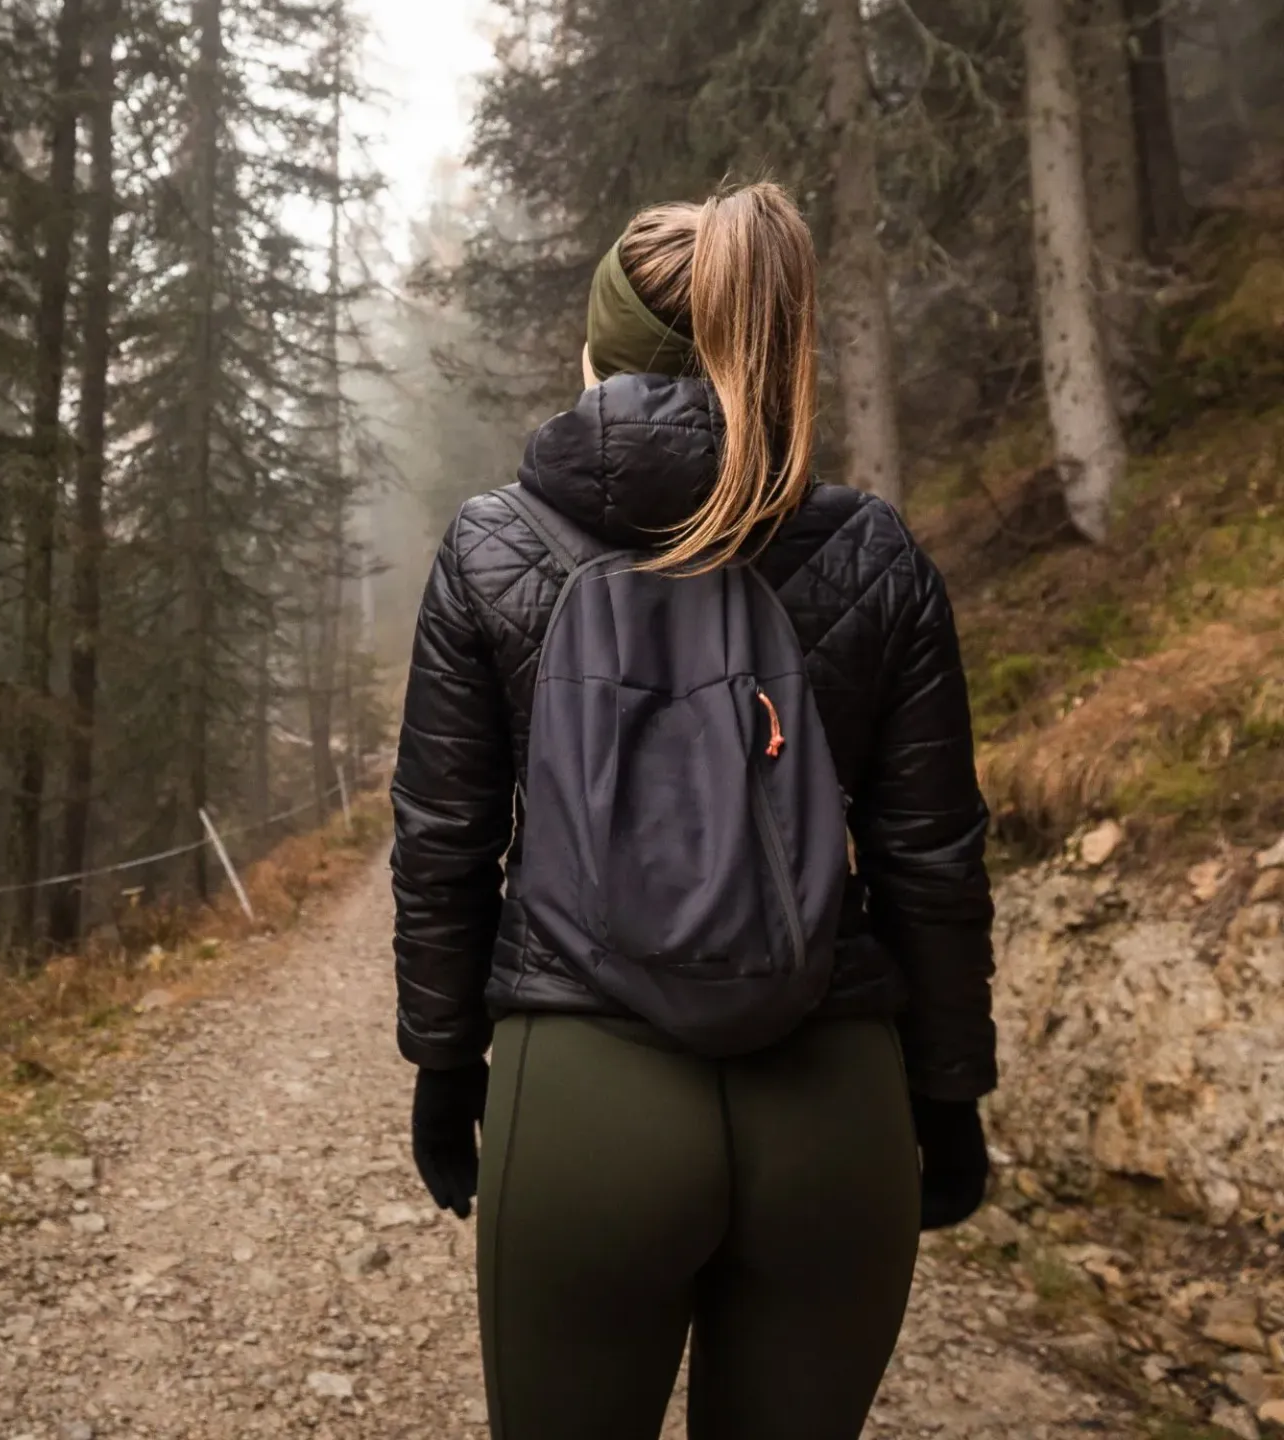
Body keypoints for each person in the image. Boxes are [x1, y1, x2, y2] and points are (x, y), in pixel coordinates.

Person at [389, 183, 996, 1440]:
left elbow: (445, 847)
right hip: (833, 1095)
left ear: (598, 356)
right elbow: (931, 858)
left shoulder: (492, 548)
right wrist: (946, 1094)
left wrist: (445, 1069)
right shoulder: (874, 554)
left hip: (583, 1094)